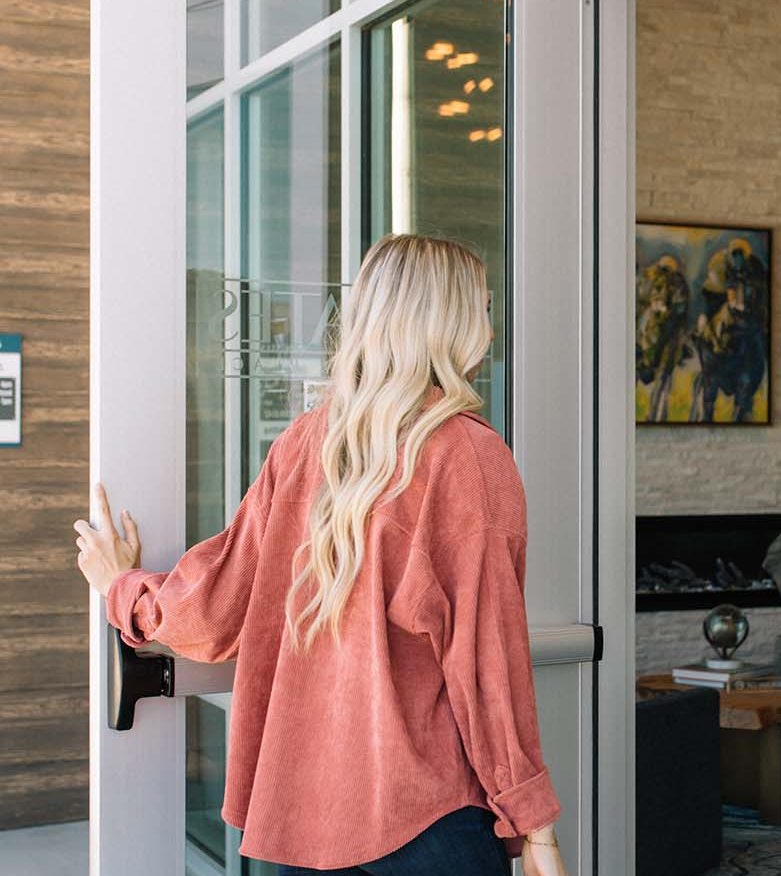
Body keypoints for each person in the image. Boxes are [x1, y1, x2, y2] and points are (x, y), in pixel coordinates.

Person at [74, 234, 569, 876]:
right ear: (449, 323)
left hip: (300, 819)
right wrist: (535, 829)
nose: (488, 326)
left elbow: (219, 603)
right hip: (424, 819)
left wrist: (125, 588)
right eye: (480, 307)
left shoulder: (305, 444)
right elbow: (487, 662)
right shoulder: (467, 457)